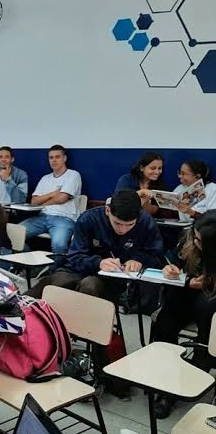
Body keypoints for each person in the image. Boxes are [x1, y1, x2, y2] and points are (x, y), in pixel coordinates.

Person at [27, 190, 164, 304]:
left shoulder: (146, 222)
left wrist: (138, 260)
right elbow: (74, 257)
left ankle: (82, 326)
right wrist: (98, 263)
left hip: (113, 280)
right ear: (107, 210)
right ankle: (24, 308)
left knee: (90, 286)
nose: (123, 230)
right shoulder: (89, 219)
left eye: (130, 225)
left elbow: (156, 255)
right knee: (57, 282)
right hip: (78, 270)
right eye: (117, 223)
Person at [152, 210, 216, 418]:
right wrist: (170, 268)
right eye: (195, 235)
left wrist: (208, 282)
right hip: (187, 293)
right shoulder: (190, 238)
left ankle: (201, 361)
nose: (195, 241)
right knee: (167, 318)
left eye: (200, 240)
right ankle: (167, 380)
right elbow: (172, 260)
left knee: (207, 305)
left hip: (211, 303)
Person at [20, 145, 82, 256]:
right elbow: (34, 202)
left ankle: (57, 267)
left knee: (59, 245)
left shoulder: (73, 175)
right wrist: (53, 194)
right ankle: (29, 261)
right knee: (14, 234)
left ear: (64, 158)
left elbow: (62, 198)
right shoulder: (45, 178)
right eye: (51, 157)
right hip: (42, 217)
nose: (54, 160)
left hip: (64, 218)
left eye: (57, 157)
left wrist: (43, 202)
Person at [115, 152, 165, 216]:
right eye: (153, 168)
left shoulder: (160, 184)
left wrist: (144, 199)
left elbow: (152, 212)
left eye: (160, 168)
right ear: (142, 168)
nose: (157, 172)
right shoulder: (126, 180)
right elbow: (119, 204)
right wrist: (141, 193)